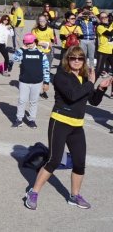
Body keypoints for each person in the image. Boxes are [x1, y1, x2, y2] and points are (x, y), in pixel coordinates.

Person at [25, 46, 112, 210]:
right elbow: (73, 95)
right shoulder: (60, 76)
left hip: (77, 126)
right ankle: (33, 192)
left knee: (79, 163)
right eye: (73, 58)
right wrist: (92, 83)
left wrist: (101, 88)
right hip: (60, 122)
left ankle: (74, 195)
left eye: (80, 58)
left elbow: (93, 100)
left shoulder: (85, 77)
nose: (77, 61)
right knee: (54, 160)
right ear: (68, 59)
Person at [11, 34, 50, 128]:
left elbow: (46, 67)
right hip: (24, 81)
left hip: (37, 82)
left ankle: (32, 119)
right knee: (21, 100)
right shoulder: (23, 52)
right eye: (27, 43)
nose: (29, 45)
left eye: (31, 42)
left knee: (34, 101)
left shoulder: (41, 52)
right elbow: (14, 58)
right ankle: (19, 119)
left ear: (35, 41)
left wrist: (46, 82)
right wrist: (21, 49)